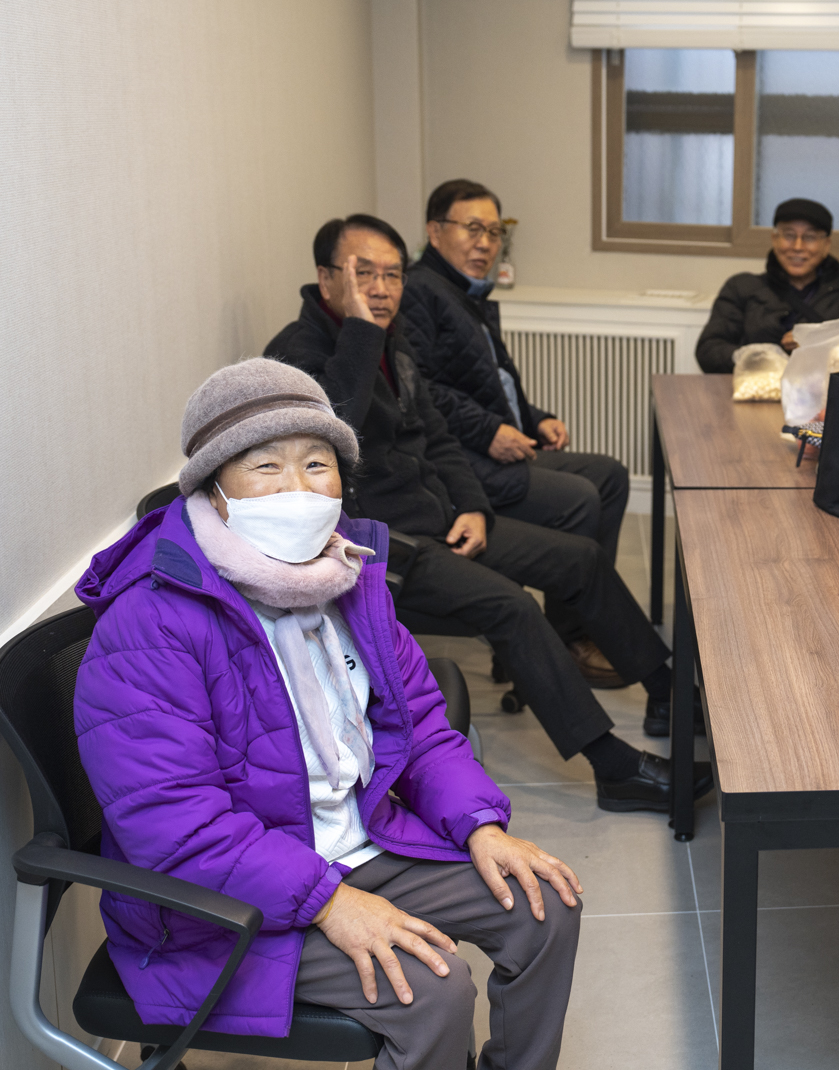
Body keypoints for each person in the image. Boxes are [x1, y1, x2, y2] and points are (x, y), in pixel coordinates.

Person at [73, 359, 582, 1069]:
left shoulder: (348, 576)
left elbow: (422, 727)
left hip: (357, 842)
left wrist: (481, 824)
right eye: (266, 467)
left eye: (317, 463)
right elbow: (175, 824)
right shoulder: (151, 622)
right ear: (214, 490)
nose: (300, 488)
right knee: (433, 990)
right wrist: (330, 902)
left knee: (544, 905)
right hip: (221, 905)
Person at [266, 214, 712, 811]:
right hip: (380, 547)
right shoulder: (298, 355)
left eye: (393, 275)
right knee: (513, 606)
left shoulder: (391, 340)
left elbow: (438, 437)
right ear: (327, 280)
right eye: (363, 274)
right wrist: (361, 332)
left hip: (441, 520)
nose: (381, 289)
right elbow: (332, 431)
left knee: (579, 559)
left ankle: (668, 691)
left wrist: (474, 506)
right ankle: (614, 769)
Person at [400, 179, 632, 686]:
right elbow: (425, 391)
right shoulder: (420, 291)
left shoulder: (467, 291)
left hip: (493, 440)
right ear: (434, 231)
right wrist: (490, 432)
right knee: (580, 498)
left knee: (611, 476)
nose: (484, 243)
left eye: (493, 232)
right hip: (463, 459)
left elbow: (488, 383)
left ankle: (578, 625)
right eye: (472, 229)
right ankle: (566, 640)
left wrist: (533, 418)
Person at [695, 197, 839, 372]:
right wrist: (765, 357)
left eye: (810, 237)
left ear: (826, 245)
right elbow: (708, 351)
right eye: (789, 235)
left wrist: (817, 346)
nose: (797, 246)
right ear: (774, 239)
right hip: (755, 388)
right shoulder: (741, 288)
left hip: (825, 393)